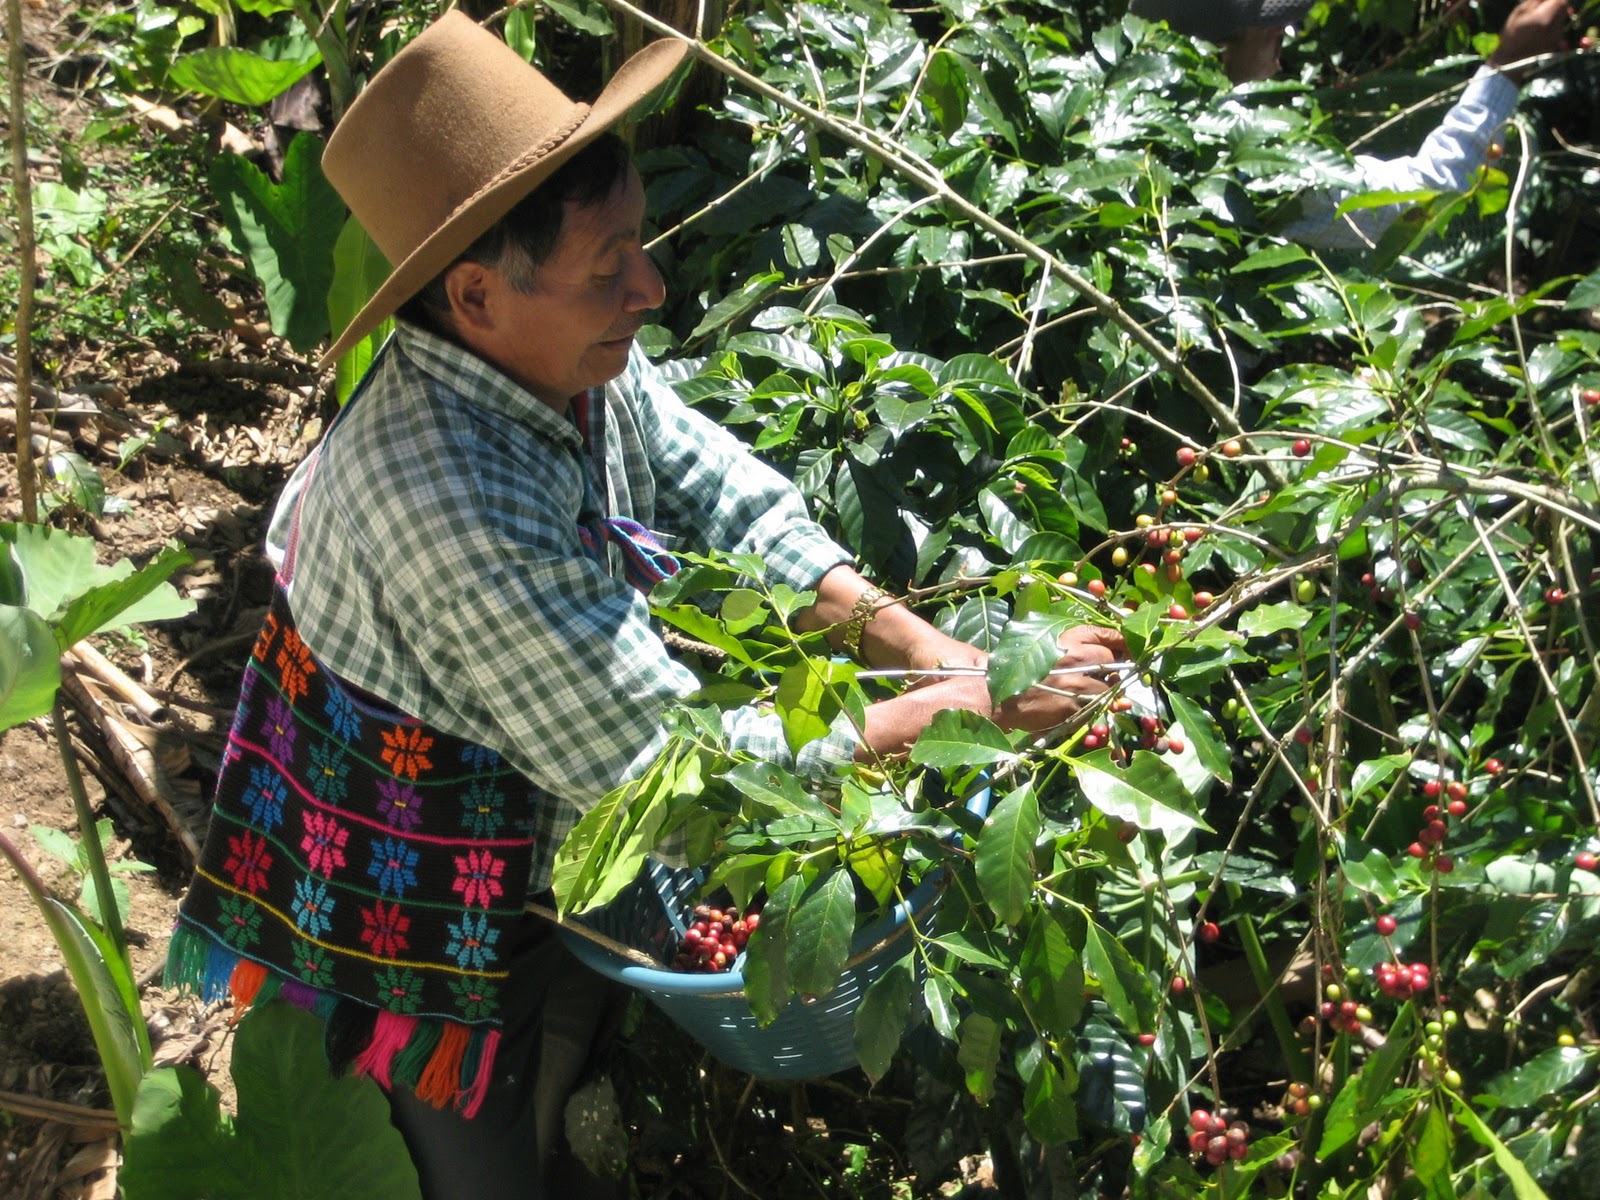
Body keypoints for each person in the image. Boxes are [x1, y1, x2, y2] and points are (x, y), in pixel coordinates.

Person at [164, 12, 1127, 1200]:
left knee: (567, 1019)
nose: (651, 286)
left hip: (524, 769)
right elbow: (672, 779)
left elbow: (712, 484)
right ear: (473, 296)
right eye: (609, 264)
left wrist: (919, 643)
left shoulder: (557, 354)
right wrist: (953, 713)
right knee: (469, 1134)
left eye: (639, 244)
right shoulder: (449, 510)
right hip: (401, 852)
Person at [1130, 0, 1573, 250]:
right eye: (1275, 31)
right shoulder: (1249, 167)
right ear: (1219, 52)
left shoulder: (1115, 106)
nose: (1286, 36)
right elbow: (1427, 193)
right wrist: (1508, 65)